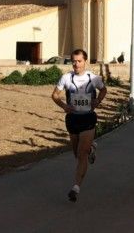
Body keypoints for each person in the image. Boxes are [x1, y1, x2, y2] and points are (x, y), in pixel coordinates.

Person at [51, 49, 107, 202]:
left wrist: (97, 101)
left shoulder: (93, 78)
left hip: (88, 119)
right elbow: (54, 95)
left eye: (79, 61)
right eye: (73, 61)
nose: (76, 64)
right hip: (72, 119)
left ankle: (76, 187)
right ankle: (92, 148)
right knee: (77, 154)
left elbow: (103, 90)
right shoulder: (66, 78)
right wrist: (63, 106)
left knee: (81, 155)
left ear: (85, 61)